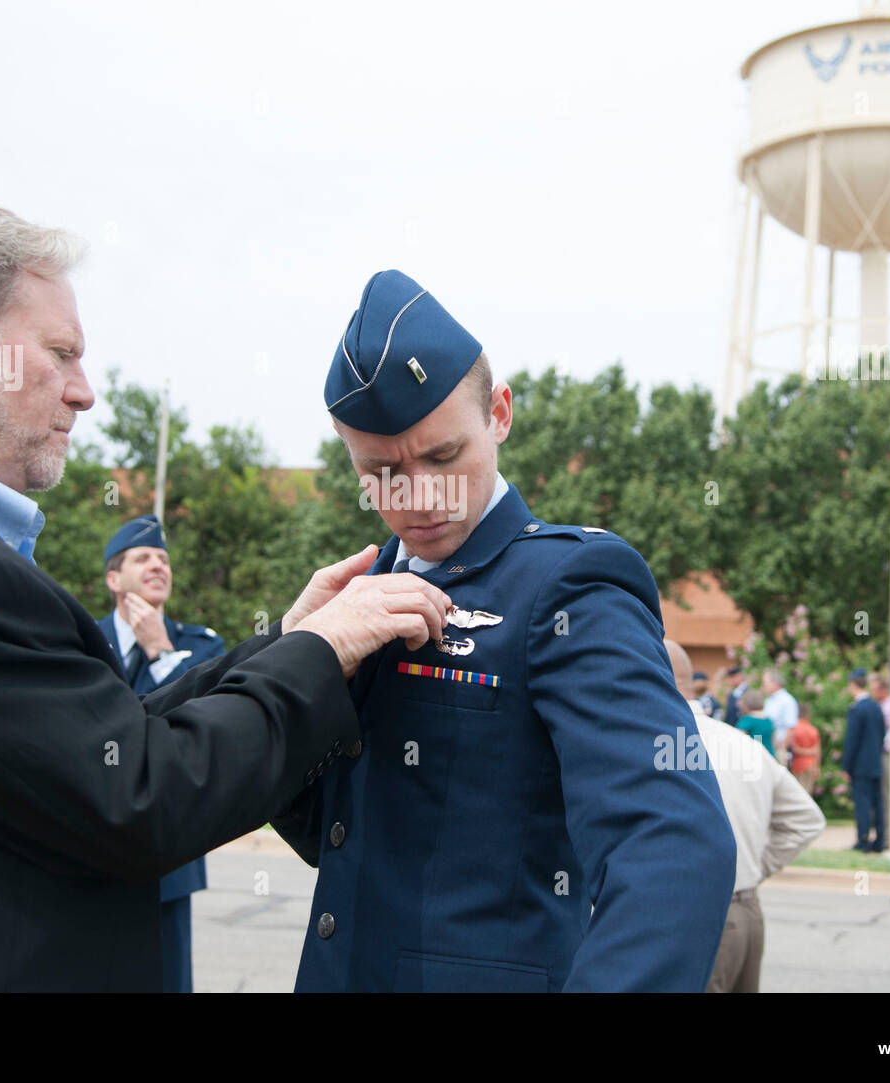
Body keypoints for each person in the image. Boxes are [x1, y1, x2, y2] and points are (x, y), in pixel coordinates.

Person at [0, 201, 452, 992]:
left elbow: (101, 744)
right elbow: (141, 794)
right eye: (59, 353)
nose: (84, 392)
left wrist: (288, 638)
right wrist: (324, 652)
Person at [272, 269, 736, 992]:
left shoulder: (568, 584)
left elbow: (673, 843)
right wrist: (293, 658)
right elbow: (335, 832)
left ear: (500, 413)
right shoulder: (353, 598)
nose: (418, 496)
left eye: (443, 456)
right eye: (381, 470)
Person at [97, 514, 225, 994]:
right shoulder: (84, 641)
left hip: (167, 854)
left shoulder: (199, 648)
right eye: (143, 558)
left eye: (164, 559)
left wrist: (160, 654)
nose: (157, 565)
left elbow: (202, 729)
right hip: (90, 844)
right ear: (114, 578)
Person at [664, 639, 825, 994]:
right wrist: (752, 870)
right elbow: (808, 820)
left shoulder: (656, 744)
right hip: (747, 914)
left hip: (697, 916)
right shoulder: (739, 742)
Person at [842, 667, 887, 852]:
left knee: (862, 803)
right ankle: (880, 839)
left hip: (861, 765)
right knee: (877, 803)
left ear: (853, 685)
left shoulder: (857, 709)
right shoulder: (876, 707)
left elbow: (852, 740)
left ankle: (862, 839)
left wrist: (847, 766)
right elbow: (883, 733)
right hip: (875, 762)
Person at [761, 668, 798, 764]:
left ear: (775, 683)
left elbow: (791, 729)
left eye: (766, 682)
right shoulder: (769, 700)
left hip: (778, 750)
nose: (763, 685)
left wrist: (781, 749)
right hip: (767, 748)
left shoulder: (787, 701)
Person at [788, 702, 822, 793]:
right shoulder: (813, 730)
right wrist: (816, 767)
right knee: (807, 794)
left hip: (797, 764)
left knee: (797, 793)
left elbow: (793, 748)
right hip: (810, 764)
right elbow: (817, 751)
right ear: (808, 715)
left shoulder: (794, 729)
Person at [736, 688, 776, 757]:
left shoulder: (747, 720)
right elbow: (774, 741)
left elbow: (739, 740)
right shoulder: (768, 721)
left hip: (755, 757)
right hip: (769, 756)